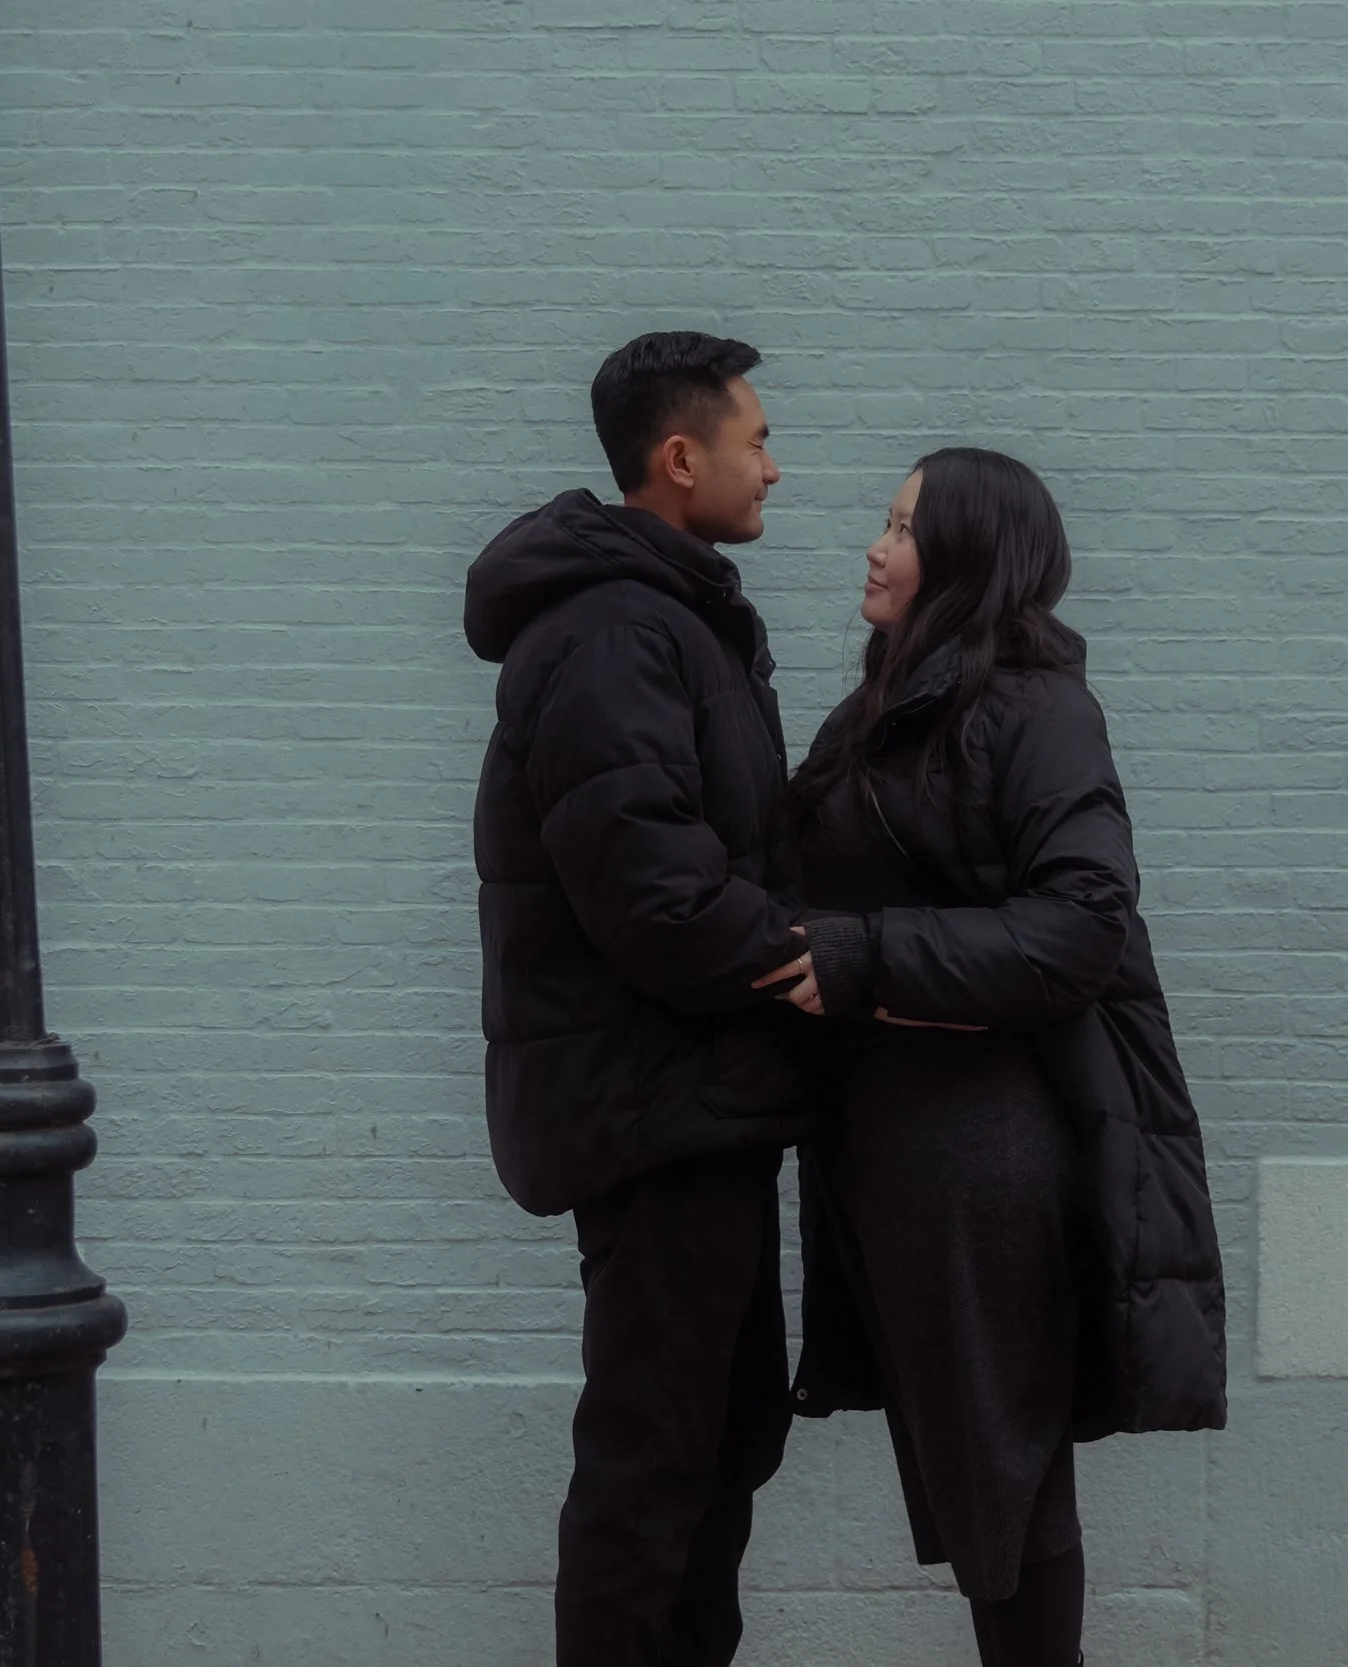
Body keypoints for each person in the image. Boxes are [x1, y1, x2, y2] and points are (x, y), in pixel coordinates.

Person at [756, 447, 1228, 1667]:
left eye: (904, 525)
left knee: (1005, 1477)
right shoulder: (884, 713)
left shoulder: (1035, 709)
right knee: (977, 1471)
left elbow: (1081, 922)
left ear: (967, 558)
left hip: (982, 1152)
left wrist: (868, 960)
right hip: (893, 1152)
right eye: (884, 518)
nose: (873, 543)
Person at [465, 331, 823, 1667]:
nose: (775, 469)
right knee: (653, 1465)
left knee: (719, 1447)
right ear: (681, 458)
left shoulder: (670, 619)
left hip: (701, 1105)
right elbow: (656, 893)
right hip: (657, 1109)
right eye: (757, 438)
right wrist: (822, 957)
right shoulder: (619, 631)